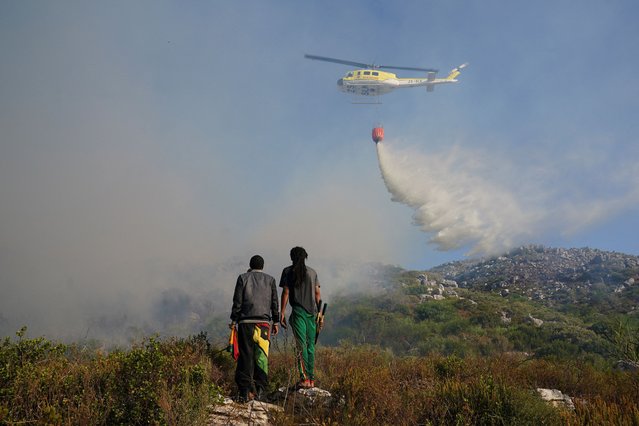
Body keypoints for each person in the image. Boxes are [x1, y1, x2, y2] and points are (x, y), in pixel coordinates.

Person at [230, 255, 279, 402]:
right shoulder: (270, 280)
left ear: (250, 265)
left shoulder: (243, 278)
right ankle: (260, 392)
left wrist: (234, 319)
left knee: (245, 357)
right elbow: (274, 302)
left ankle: (244, 393)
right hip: (264, 325)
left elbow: (237, 301)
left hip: (246, 323)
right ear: (262, 266)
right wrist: (276, 321)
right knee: (262, 357)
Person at [279, 246, 322, 389]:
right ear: (305, 257)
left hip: (298, 312)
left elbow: (286, 292)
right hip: (312, 313)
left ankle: (304, 379)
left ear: (292, 257)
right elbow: (317, 294)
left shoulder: (287, 271)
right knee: (311, 346)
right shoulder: (312, 272)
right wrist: (320, 314)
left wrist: (282, 312)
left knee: (300, 346)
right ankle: (311, 379)